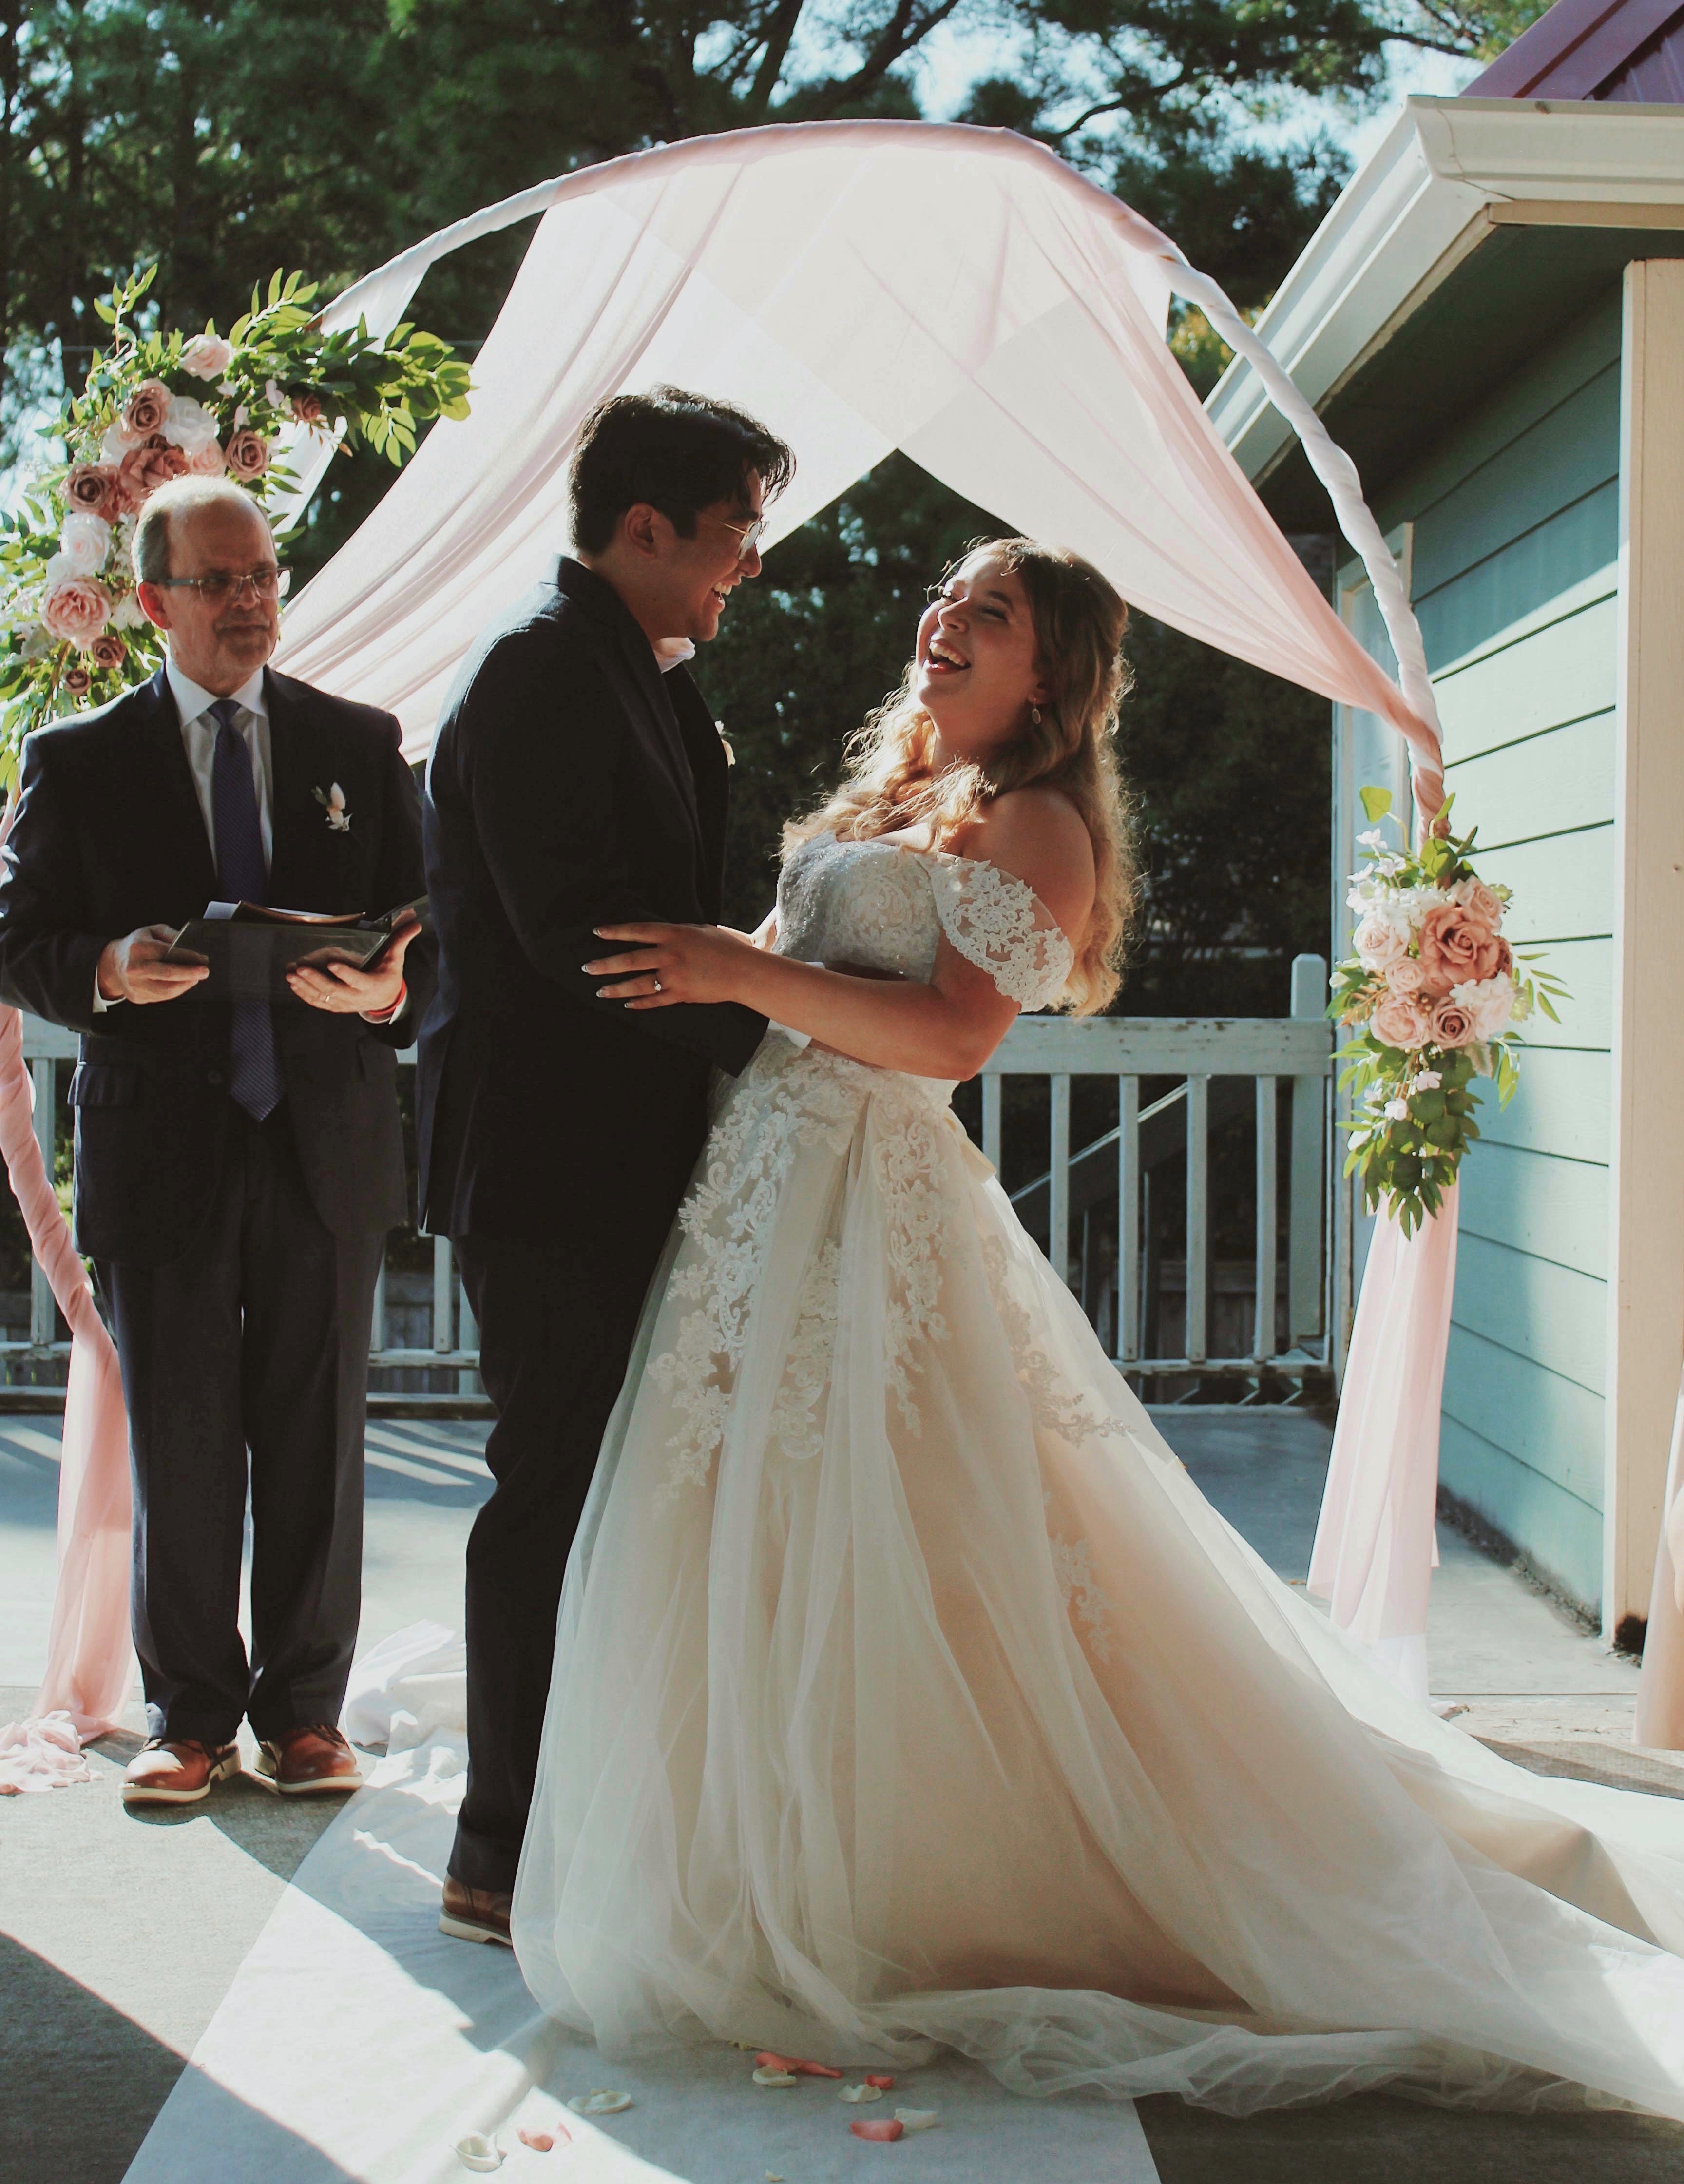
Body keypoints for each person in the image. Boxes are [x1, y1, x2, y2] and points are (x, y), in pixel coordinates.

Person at [509, 535, 1684, 2121]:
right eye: (947, 598)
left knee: (916, 1534)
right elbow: (802, 980)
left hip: (875, 1207)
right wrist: (712, 976)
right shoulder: (901, 792)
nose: (944, 620)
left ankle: (943, 1882)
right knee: (757, 1525)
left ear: (1050, 671)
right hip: (766, 1199)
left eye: (987, 613)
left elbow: (949, 1038)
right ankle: (762, 1853)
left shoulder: (1038, 823)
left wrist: (737, 970)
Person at [417, 387, 792, 1943]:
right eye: (735, 533)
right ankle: (495, 1853)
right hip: (549, 1159)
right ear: (645, 527)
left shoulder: (630, 666)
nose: (750, 564)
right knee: (551, 1488)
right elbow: (585, 942)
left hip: (626, 1149)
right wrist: (785, 1032)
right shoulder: (537, 668)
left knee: (609, 1486)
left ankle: (592, 1814)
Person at [0, 476, 432, 1807]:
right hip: (160, 1146)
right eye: (220, 582)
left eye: (264, 578)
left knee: (318, 1439)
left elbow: (435, 926)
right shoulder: (79, 759)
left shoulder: (360, 742)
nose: (252, 603)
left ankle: (306, 1716)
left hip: (325, 1140)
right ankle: (190, 1718)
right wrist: (106, 969)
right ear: (153, 601)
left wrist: (389, 990)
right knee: (183, 1438)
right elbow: (16, 939)